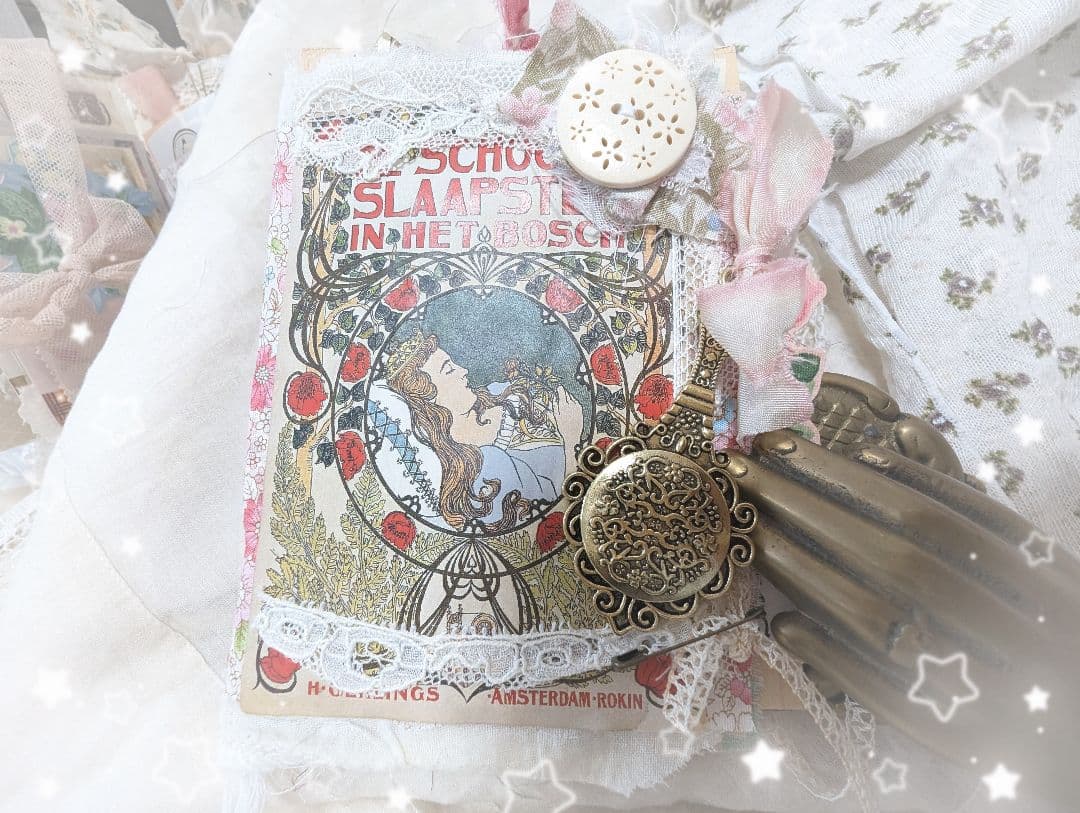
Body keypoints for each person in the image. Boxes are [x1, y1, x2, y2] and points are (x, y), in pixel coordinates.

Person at [384, 330, 584, 533]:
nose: (463, 371)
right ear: (431, 400)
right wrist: (571, 440)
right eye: (449, 370)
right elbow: (556, 504)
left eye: (453, 363)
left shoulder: (497, 391)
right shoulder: (482, 471)